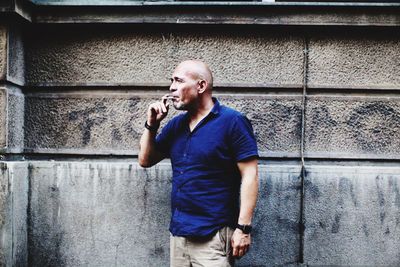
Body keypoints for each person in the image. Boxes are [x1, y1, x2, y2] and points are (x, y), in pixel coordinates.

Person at [139, 60, 259, 267]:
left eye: (178, 81)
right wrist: (152, 125)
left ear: (201, 86)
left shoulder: (232, 122)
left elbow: (250, 175)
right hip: (179, 235)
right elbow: (145, 160)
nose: (171, 88)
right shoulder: (176, 125)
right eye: (171, 81)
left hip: (214, 236)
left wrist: (244, 229)